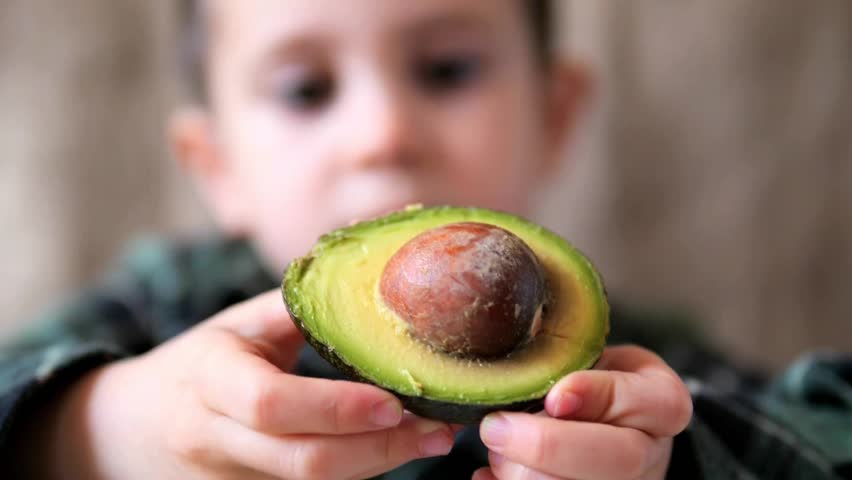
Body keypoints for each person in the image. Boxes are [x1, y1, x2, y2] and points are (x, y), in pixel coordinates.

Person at [1, 0, 850, 478]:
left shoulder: (631, 370)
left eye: (447, 71)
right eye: (306, 90)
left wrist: (682, 459)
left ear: (554, 119)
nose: (384, 134)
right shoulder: (165, 309)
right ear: (215, 166)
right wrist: (93, 430)